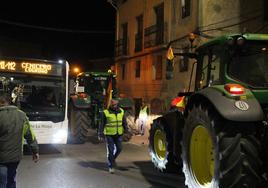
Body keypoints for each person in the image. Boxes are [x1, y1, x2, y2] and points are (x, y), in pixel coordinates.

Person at [0, 93, 39, 188]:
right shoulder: (22, 115)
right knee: (11, 179)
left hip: (1, 158)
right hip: (16, 157)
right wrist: (35, 151)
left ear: (2, 103)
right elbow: (30, 135)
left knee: (1, 181)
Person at [98, 98, 128, 174]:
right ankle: (111, 166)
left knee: (119, 148)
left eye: (115, 104)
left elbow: (124, 122)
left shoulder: (121, 111)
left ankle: (112, 159)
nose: (114, 106)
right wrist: (100, 133)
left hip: (118, 134)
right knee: (110, 150)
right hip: (109, 135)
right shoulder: (105, 112)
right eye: (112, 104)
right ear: (110, 104)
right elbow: (102, 124)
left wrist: (126, 131)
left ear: (117, 104)